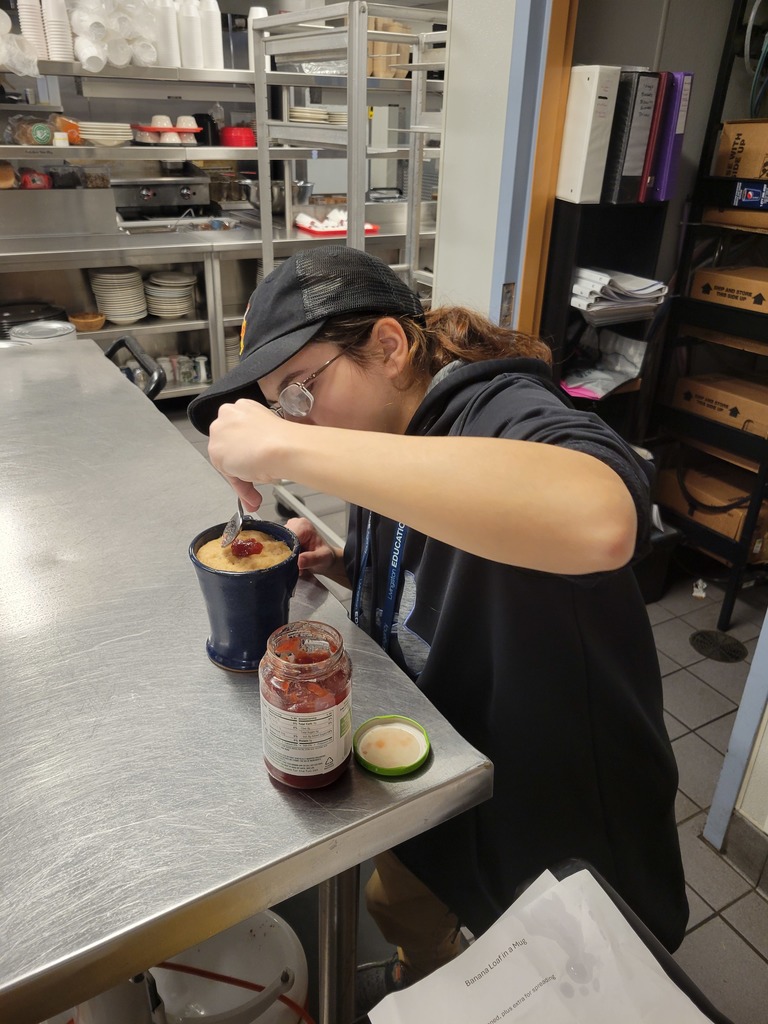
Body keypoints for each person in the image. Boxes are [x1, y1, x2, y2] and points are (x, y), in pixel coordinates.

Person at [188, 244, 688, 990]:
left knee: (559, 981)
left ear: (389, 346)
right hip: (442, 767)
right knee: (404, 903)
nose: (299, 417)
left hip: (552, 802)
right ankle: (422, 978)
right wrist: (344, 562)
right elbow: (435, 561)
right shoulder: (387, 435)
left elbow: (602, 516)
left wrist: (294, 441)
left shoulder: (500, 410)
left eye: (300, 389)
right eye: (280, 402)